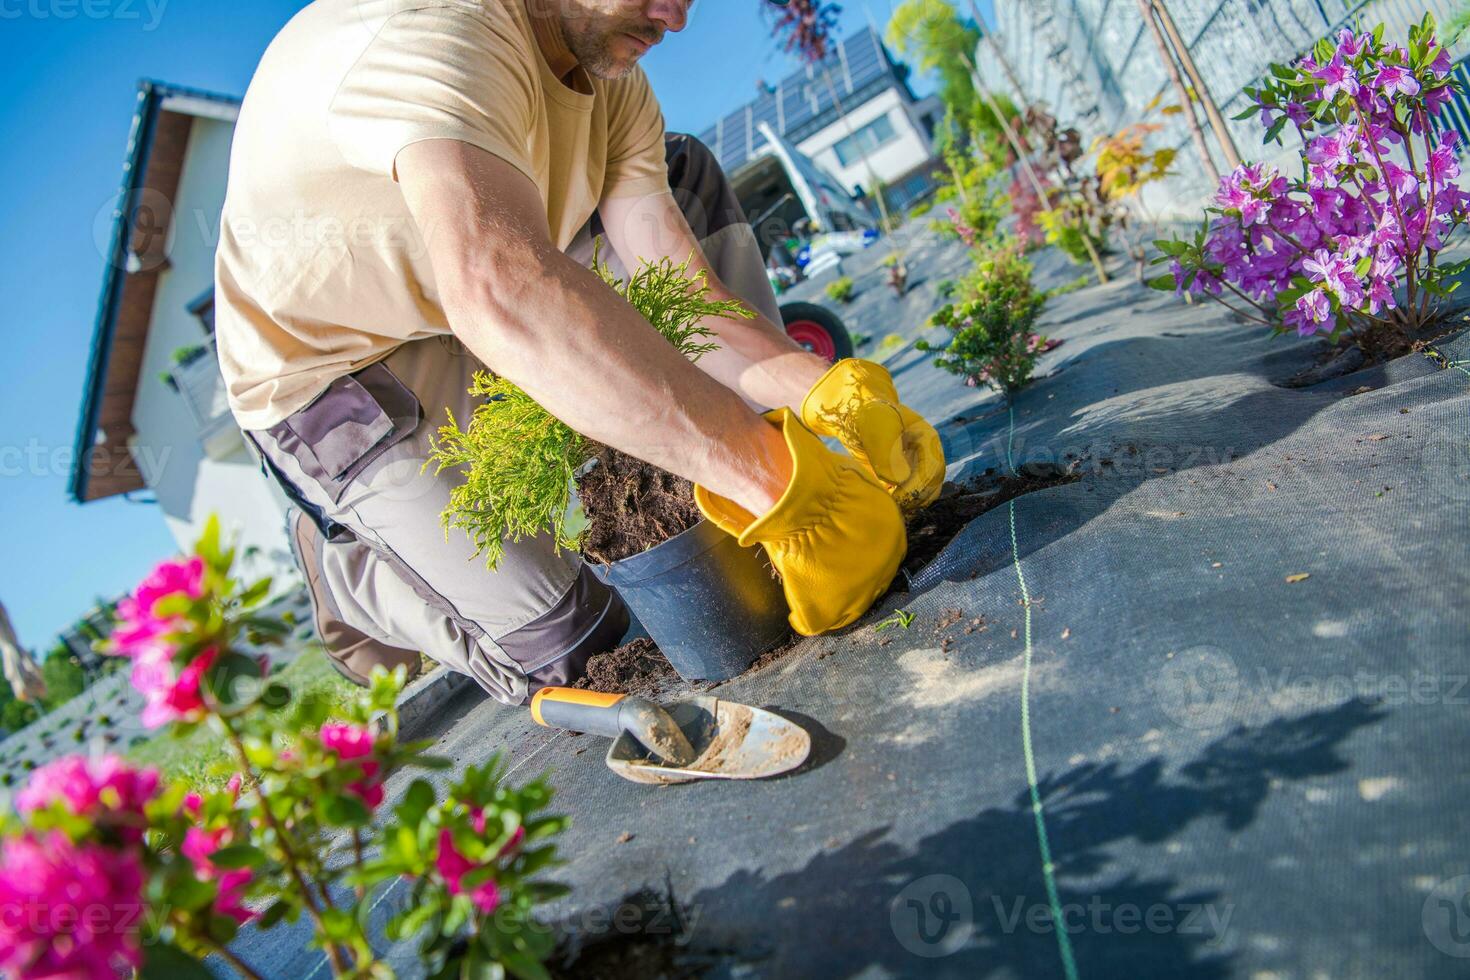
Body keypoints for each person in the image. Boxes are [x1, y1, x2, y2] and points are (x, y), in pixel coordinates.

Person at [215, 0, 945, 705]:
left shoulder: (614, 76)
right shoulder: (437, 31)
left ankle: (744, 458)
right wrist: (774, 480)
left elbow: (686, 297)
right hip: (344, 369)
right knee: (588, 648)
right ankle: (346, 571)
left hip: (476, 285)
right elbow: (501, 288)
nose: (677, 16)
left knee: (679, 175)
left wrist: (820, 389)